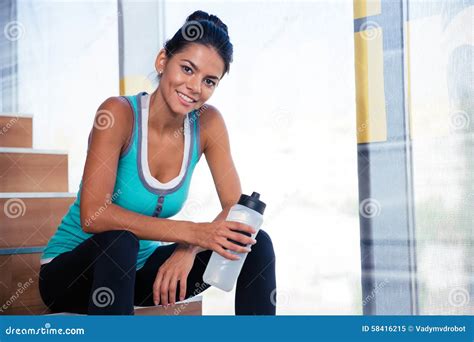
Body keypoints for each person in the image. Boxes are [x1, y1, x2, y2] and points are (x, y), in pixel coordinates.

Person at [39, 10, 276, 315]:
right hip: (74, 275)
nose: (195, 87)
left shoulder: (208, 123)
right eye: (187, 69)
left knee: (254, 244)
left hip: (143, 275)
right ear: (162, 61)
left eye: (209, 81)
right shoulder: (118, 114)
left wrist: (188, 249)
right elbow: (93, 216)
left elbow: (235, 210)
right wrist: (192, 233)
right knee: (120, 241)